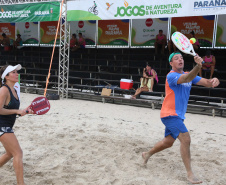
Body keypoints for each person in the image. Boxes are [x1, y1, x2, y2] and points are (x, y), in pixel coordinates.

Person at [142, 51, 220, 184]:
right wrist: (198, 66)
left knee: (168, 142)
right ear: (171, 63)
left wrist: (213, 81)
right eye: (176, 58)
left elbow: (206, 82)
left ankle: (147, 154)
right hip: (169, 114)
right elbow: (187, 79)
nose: (180, 60)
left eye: (181, 58)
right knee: (186, 138)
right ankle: (190, 174)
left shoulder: (188, 73)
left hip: (178, 116)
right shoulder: (171, 76)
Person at [0, 64, 33, 185]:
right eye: (13, 72)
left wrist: (24, 111)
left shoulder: (14, 89)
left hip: (6, 125)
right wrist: (16, 111)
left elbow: (11, 110)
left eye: (16, 72)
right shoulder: (4, 90)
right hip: (1, 125)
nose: (17, 74)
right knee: (18, 153)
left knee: (10, 153)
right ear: (6, 76)